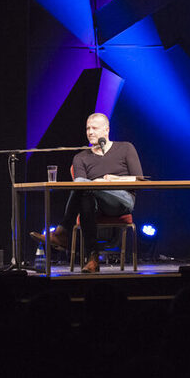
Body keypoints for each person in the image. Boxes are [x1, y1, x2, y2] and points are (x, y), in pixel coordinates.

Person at [30, 113, 142, 273]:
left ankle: (62, 232)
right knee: (84, 197)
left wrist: (111, 180)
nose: (90, 132)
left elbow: (140, 180)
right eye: (88, 128)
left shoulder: (125, 148)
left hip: (122, 200)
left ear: (107, 130)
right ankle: (93, 258)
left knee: (83, 185)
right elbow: (81, 187)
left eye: (95, 128)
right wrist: (95, 185)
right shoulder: (80, 157)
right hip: (95, 204)